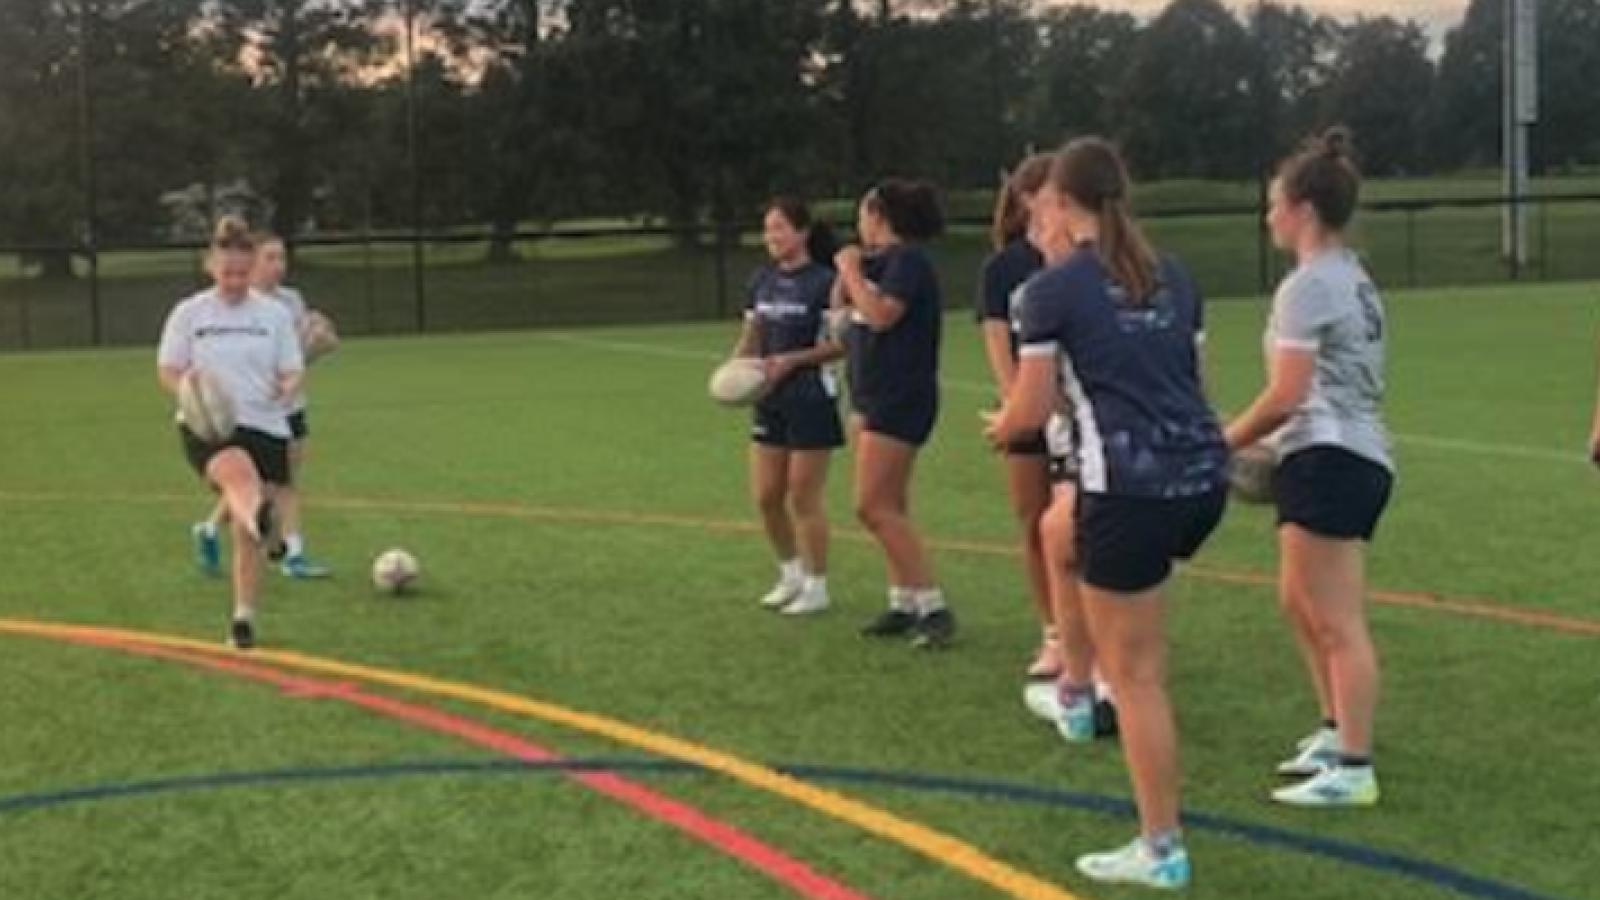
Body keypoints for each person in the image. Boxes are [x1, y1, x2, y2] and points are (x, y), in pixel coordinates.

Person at [987, 138, 1228, 890]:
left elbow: (1029, 411)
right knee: (1064, 542)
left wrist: (1001, 426)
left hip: (1129, 490)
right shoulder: (1174, 275)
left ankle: (1161, 847)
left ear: (1061, 203)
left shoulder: (1049, 291)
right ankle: (1076, 694)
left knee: (1140, 676)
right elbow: (1196, 383)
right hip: (1201, 482)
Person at [1226, 128, 1395, 808]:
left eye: (1275, 203)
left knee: (1336, 618)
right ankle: (1333, 731)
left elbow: (1287, 394)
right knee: (1298, 601)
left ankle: (1354, 766)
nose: (1268, 215)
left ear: (1302, 209)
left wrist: (1225, 441)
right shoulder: (1349, 274)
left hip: (1333, 456)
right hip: (1332, 453)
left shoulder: (1309, 285)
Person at [158, 217, 304, 650]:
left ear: (252, 266)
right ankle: (265, 522)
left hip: (268, 425)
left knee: (244, 534)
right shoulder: (190, 313)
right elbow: (167, 369)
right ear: (210, 265)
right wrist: (189, 391)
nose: (236, 281)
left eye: (243, 273)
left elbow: (292, 369)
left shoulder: (274, 314)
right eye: (228, 273)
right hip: (209, 426)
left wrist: (287, 386)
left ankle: (243, 618)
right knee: (238, 474)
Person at [835, 179, 954, 649]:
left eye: (863, 212)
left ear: (879, 215)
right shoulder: (879, 264)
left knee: (872, 506)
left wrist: (849, 270)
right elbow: (846, 324)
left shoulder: (908, 261)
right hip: (872, 396)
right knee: (891, 503)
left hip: (899, 398)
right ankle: (903, 600)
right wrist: (848, 278)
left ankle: (933, 606)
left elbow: (882, 315)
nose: (858, 222)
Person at [730, 197, 846, 616]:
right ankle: (790, 574)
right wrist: (736, 367)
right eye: (767, 229)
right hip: (770, 398)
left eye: (779, 227)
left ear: (802, 232)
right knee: (766, 496)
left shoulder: (826, 281)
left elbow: (841, 345)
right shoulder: (761, 280)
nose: (771, 236)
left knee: (803, 497)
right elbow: (753, 336)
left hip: (811, 398)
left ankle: (817, 586)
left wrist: (793, 360)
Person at [193, 234, 332, 580]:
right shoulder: (233, 307)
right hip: (248, 413)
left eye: (282, 257)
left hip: (288, 406)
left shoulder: (291, 301)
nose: (278, 265)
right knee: (268, 483)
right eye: (269, 258)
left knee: (277, 481)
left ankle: (210, 529)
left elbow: (296, 358)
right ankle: (292, 555)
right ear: (250, 262)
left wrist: (320, 344)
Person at [978, 155, 1058, 678]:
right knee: (1034, 522)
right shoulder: (1005, 268)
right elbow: (997, 341)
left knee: (1078, 527)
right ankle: (1054, 632)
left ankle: (1091, 631)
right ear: (1029, 198)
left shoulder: (1086, 259)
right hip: (1027, 413)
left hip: (1080, 413)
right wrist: (1018, 405)